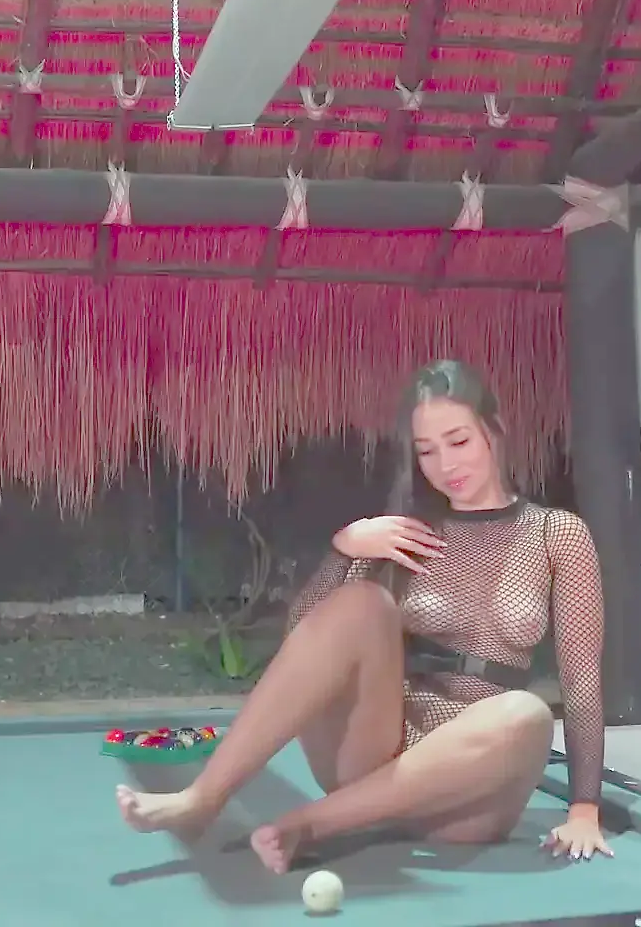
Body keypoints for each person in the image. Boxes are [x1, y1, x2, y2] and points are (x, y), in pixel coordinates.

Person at [117, 358, 611, 874]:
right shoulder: (403, 534)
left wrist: (584, 809)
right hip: (376, 752)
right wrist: (344, 549)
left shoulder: (556, 534)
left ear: (496, 430)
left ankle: (310, 824)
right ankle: (203, 799)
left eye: (459, 441)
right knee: (362, 603)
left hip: (468, 790)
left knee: (527, 715)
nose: (446, 464)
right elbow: (305, 640)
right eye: (427, 451)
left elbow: (581, 680)